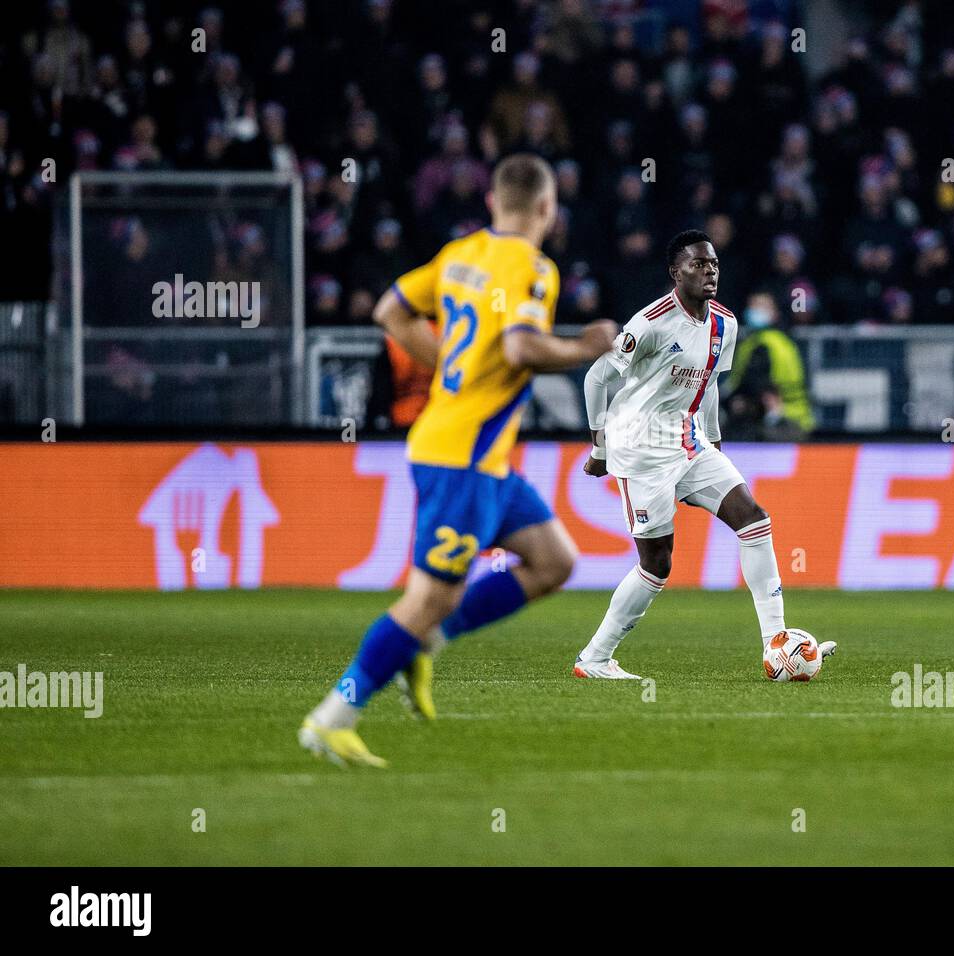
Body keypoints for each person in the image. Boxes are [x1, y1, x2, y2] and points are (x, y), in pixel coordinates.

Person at [300, 154, 617, 766]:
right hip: (461, 456)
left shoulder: (459, 255)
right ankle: (332, 717)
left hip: (478, 455)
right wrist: (585, 346)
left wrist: (448, 359)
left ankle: (422, 648)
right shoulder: (533, 268)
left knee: (554, 561)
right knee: (427, 598)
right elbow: (521, 346)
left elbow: (389, 312)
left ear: (493, 202)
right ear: (548, 208)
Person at [576, 230, 836, 678]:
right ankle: (595, 658)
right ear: (676, 273)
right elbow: (597, 378)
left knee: (753, 518)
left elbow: (709, 380)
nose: (709, 271)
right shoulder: (651, 323)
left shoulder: (725, 324)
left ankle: (775, 642)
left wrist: (713, 437)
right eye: (698, 264)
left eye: (713, 264)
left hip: (688, 440)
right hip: (641, 448)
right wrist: (601, 444)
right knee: (657, 565)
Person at [726, 291, 815, 440]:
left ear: (775, 313)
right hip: (800, 417)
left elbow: (754, 383)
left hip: (781, 419)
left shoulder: (762, 344)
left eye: (761, 306)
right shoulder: (784, 341)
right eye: (752, 306)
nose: (754, 310)